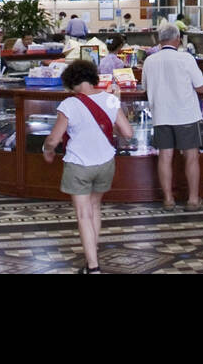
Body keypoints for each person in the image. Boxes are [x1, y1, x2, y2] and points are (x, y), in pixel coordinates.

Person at [42, 59, 134, 273]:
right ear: (92, 78)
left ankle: (93, 267)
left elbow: (54, 140)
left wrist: (47, 150)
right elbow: (128, 133)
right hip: (105, 163)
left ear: (72, 82)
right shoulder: (110, 100)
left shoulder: (69, 105)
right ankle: (92, 251)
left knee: (83, 214)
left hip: (79, 165)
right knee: (95, 208)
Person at [141, 22, 203, 209]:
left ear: (159, 40)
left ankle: (168, 199)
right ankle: (193, 199)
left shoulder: (149, 61)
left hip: (161, 115)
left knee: (165, 156)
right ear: (178, 39)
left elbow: (145, 88)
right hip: (185, 115)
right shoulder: (186, 59)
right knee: (191, 157)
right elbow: (201, 87)